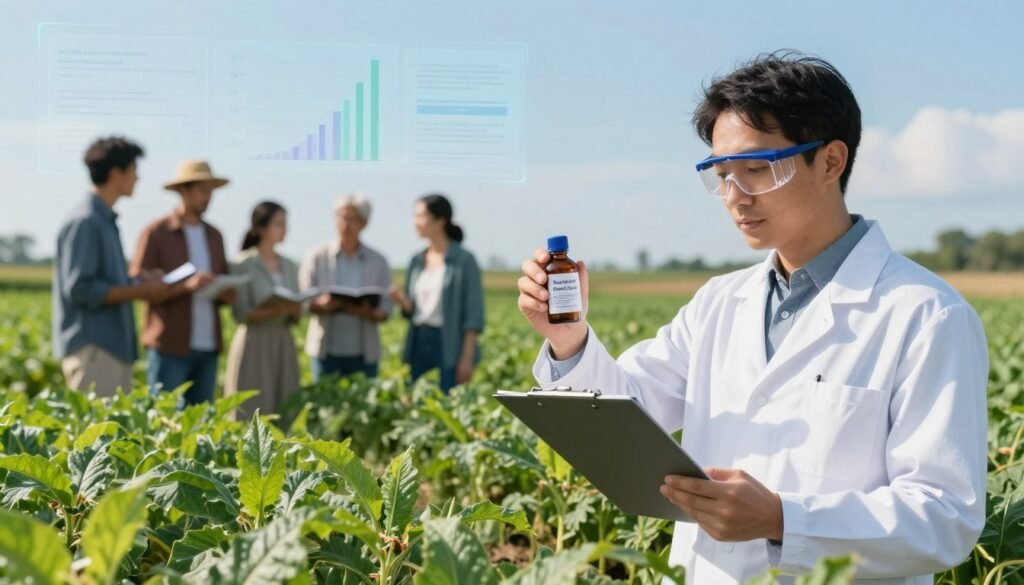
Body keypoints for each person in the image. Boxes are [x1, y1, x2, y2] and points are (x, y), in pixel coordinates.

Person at [517, 52, 988, 584]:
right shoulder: (719, 302)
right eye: (721, 174)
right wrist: (568, 339)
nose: (735, 197)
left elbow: (945, 515)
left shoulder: (925, 314)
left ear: (832, 161)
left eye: (757, 170)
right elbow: (628, 410)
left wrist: (785, 520)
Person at [53, 136, 167, 396]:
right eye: (134, 171)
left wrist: (137, 280)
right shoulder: (87, 221)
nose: (137, 178)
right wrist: (142, 292)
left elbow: (100, 281)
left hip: (108, 349)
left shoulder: (103, 219)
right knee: (95, 433)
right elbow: (81, 289)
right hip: (95, 349)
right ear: (117, 173)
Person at [131, 160, 235, 406]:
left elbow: (223, 279)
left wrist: (226, 291)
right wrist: (185, 287)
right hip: (169, 345)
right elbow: (139, 285)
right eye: (201, 190)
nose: (207, 197)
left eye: (210, 191)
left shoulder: (215, 236)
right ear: (183, 191)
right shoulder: (157, 233)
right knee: (165, 420)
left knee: (201, 425)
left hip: (208, 346)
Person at [391, 193, 484, 393]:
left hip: (448, 343)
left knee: (446, 402)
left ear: (440, 220)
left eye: (420, 216)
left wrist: (466, 358)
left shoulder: (464, 260)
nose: (415, 222)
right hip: (418, 341)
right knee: (418, 403)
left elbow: (473, 315)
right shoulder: (416, 261)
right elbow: (414, 310)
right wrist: (402, 302)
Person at [300, 193, 391, 380]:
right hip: (326, 351)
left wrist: (367, 311)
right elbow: (303, 301)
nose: (345, 224)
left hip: (364, 353)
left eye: (352, 219)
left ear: (364, 223)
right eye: (341, 217)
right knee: (325, 405)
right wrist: (322, 304)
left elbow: (386, 309)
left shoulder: (378, 261)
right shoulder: (317, 256)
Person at [224, 201, 301, 420]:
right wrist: (278, 308)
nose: (285, 229)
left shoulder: (290, 265)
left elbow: (296, 310)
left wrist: (293, 308)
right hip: (254, 342)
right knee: (250, 408)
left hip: (282, 341)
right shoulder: (242, 264)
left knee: (285, 404)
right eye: (278, 224)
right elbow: (242, 313)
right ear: (261, 228)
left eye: (285, 224)